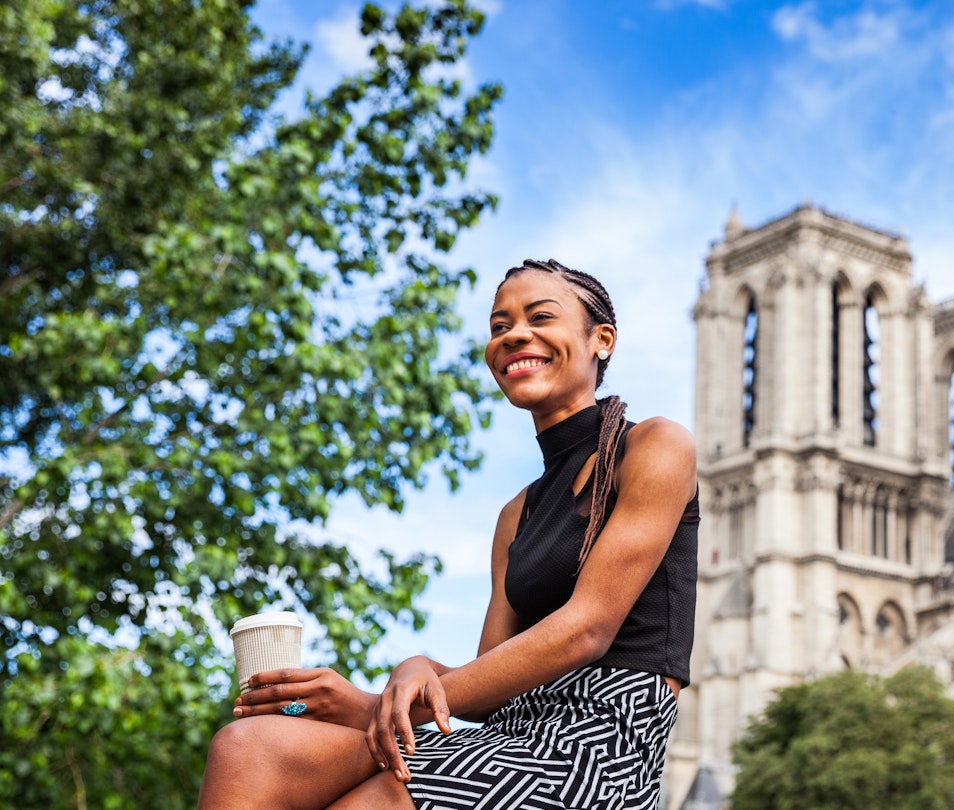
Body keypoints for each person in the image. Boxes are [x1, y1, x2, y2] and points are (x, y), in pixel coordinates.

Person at [198, 259, 700, 809]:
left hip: (601, 748)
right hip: (506, 733)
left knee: (376, 797)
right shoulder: (517, 513)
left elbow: (587, 630)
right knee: (246, 747)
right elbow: (485, 690)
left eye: (539, 317)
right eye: (500, 326)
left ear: (600, 339)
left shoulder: (654, 447)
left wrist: (382, 710)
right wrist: (396, 681)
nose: (514, 336)